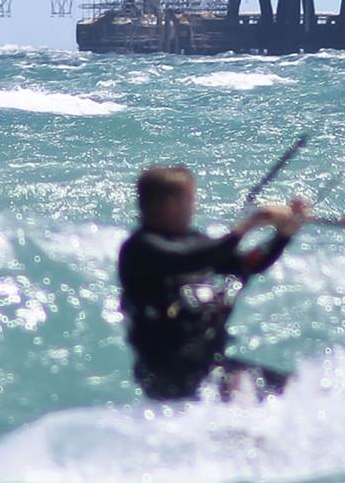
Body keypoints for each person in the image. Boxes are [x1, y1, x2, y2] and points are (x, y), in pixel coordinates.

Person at [118, 164, 309, 402]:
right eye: (190, 199)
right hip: (166, 372)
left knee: (297, 390)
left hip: (209, 367)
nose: (194, 207)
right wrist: (251, 223)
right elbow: (197, 257)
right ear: (170, 204)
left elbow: (246, 264)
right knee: (242, 385)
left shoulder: (192, 241)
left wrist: (283, 235)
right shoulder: (141, 249)